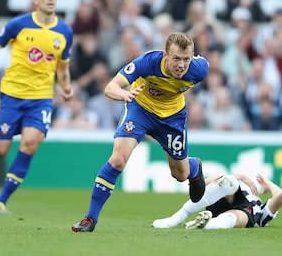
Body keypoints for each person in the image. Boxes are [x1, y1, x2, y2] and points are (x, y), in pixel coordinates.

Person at [72, 32, 209, 232]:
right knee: (117, 159)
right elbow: (110, 88)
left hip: (172, 118)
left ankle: (194, 167)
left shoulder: (200, 70)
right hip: (140, 110)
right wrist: (124, 94)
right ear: (165, 55)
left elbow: (200, 63)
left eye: (186, 59)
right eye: (176, 59)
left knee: (180, 175)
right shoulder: (147, 62)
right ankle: (90, 219)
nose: (181, 65)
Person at [0, 0, 74, 214]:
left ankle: (2, 200)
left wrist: (66, 86)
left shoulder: (64, 32)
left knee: (30, 144)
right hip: (12, 95)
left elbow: (62, 67)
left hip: (41, 99)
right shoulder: (18, 25)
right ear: (36, 0)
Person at [152, 173, 282, 229]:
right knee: (229, 181)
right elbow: (227, 179)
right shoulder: (245, 191)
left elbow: (280, 196)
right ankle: (179, 216)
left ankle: (205, 224)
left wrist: (267, 183)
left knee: (239, 216)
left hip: (243, 213)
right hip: (222, 198)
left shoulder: (262, 213)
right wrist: (241, 177)